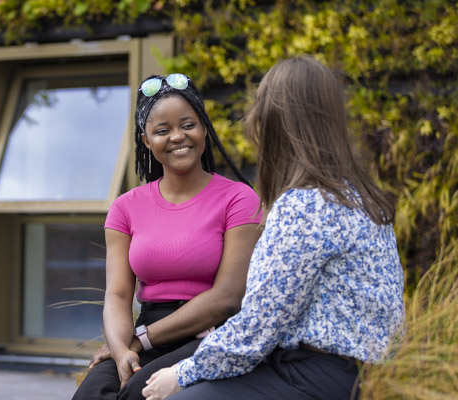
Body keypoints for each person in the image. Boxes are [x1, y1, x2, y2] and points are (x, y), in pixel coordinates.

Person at [142, 56, 406, 400]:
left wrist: (182, 373)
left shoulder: (306, 205)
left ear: (277, 122)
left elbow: (258, 328)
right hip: (356, 371)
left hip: (315, 375)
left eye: (259, 109)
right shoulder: (359, 196)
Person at [72, 73, 262, 400]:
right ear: (146, 141)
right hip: (148, 328)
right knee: (93, 390)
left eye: (187, 124)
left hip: (211, 333)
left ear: (204, 127)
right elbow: (117, 295)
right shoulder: (125, 207)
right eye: (162, 130)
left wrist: (140, 340)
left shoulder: (239, 199)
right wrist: (120, 350)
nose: (177, 137)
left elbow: (227, 297)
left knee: (139, 392)